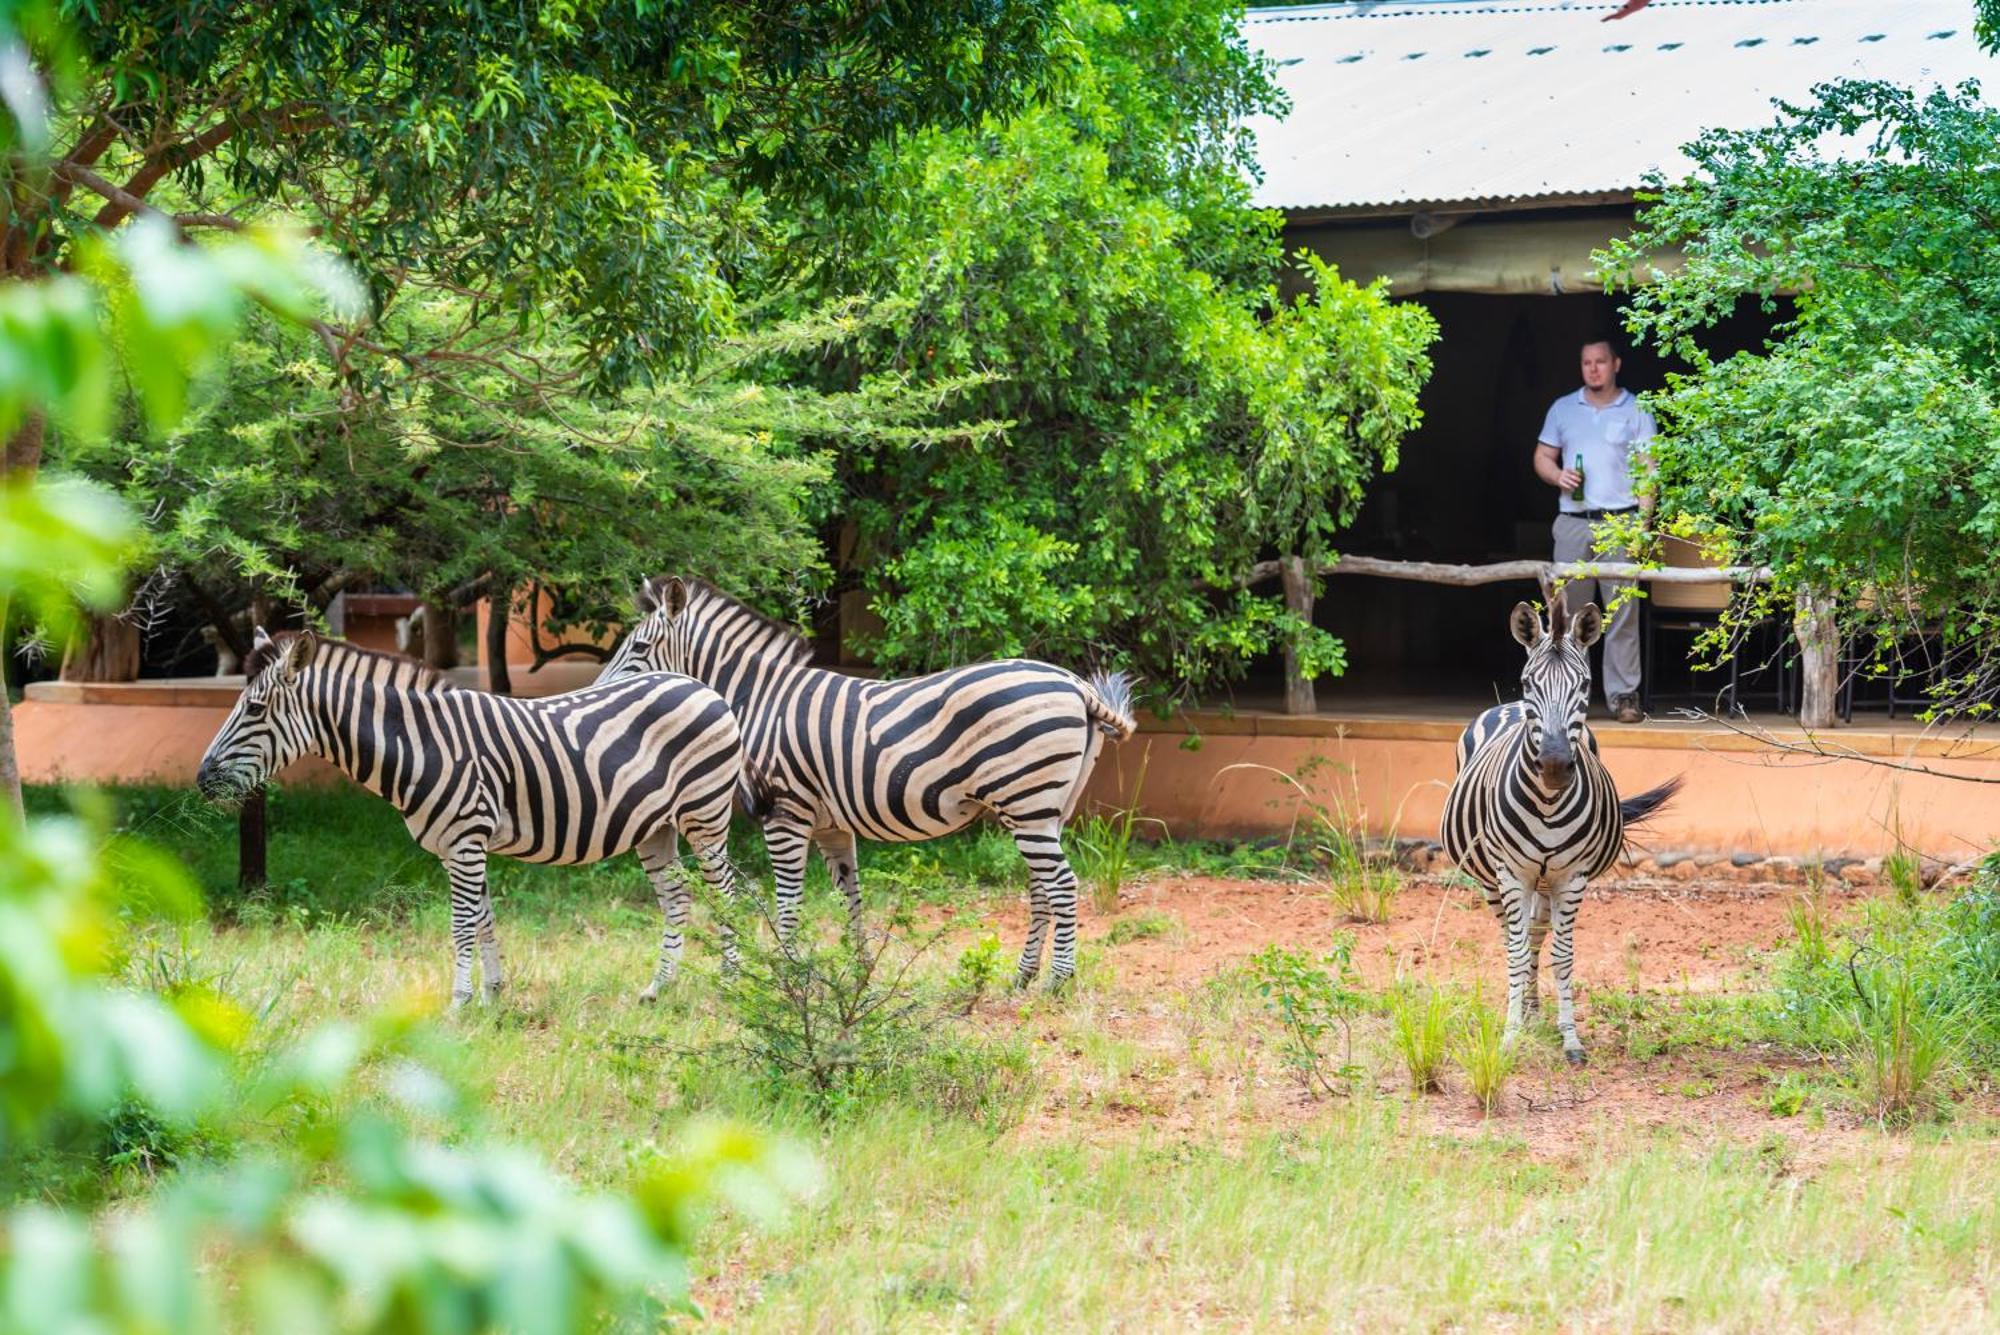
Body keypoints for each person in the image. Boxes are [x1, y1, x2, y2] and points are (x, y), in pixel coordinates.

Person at [1533, 335, 1656, 724]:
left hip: (1620, 521)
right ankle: (1571, 696)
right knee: (1566, 615)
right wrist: (1557, 475)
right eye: (1587, 363)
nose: (1593, 369)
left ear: (1616, 364)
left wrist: (1643, 525)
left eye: (1600, 362)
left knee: (1622, 612)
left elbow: (1650, 470)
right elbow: (1541, 456)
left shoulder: (1636, 409)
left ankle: (1624, 696)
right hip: (1573, 521)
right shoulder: (1563, 409)